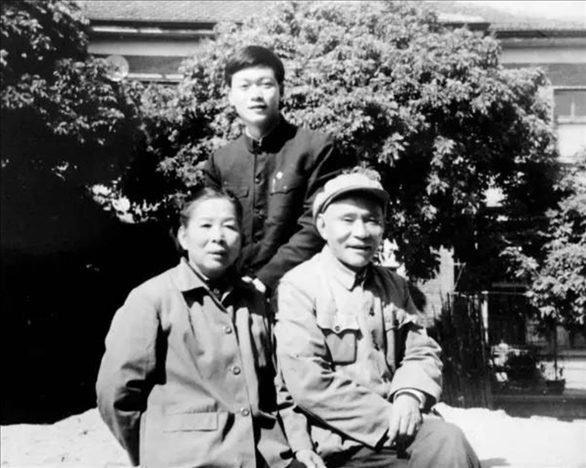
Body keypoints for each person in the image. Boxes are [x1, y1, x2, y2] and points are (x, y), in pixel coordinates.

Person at [96, 188, 323, 468]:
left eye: (229, 227)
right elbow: (115, 393)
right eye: (205, 226)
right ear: (183, 236)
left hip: (267, 455)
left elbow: (278, 385)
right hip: (187, 460)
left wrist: (300, 444)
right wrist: (152, 452)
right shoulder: (152, 299)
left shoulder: (255, 300)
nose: (218, 237)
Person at [274, 170, 481, 468]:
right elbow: (309, 382)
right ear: (322, 226)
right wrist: (391, 416)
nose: (361, 232)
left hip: (402, 431)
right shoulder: (299, 287)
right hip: (337, 442)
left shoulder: (394, 286)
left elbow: (421, 351)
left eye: (372, 220)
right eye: (347, 220)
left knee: (448, 440)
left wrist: (409, 395)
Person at [204, 45, 356, 293]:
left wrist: (265, 280)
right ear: (230, 95)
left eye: (265, 84)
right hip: (232, 292)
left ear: (281, 90)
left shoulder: (316, 149)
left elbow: (317, 224)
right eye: (244, 86)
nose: (255, 95)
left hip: (300, 291)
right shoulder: (220, 161)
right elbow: (212, 227)